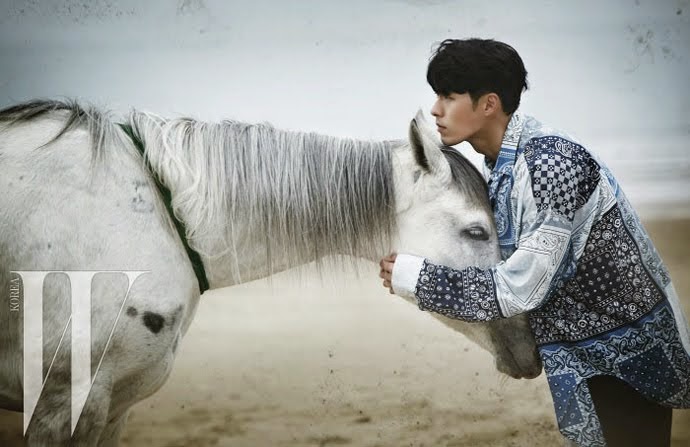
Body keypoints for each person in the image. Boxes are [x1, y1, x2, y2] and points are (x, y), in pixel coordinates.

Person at [379, 38, 690, 447]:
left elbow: (521, 287)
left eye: (449, 97)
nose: (436, 109)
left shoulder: (549, 166)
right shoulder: (502, 164)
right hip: (588, 347)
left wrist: (418, 279)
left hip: (624, 354)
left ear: (488, 104)